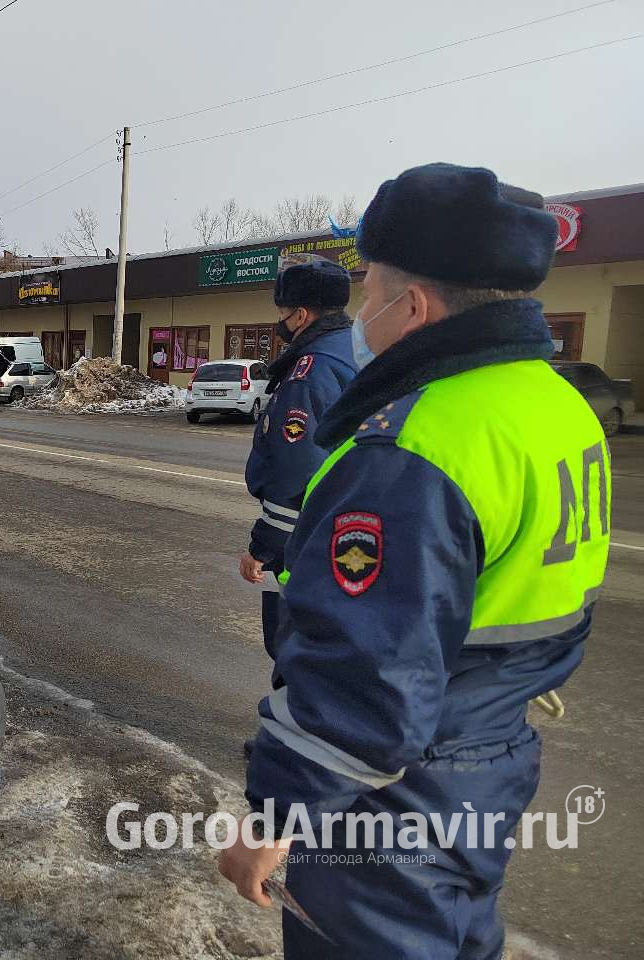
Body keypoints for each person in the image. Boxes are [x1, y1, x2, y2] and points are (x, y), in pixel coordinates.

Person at [218, 163, 611, 959]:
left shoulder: (413, 448)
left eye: (371, 291)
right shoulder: (553, 403)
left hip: (396, 796)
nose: (362, 309)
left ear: (415, 305)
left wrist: (275, 821)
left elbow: (366, 680)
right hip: (494, 752)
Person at [241, 259, 357, 657]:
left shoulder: (312, 370)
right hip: (347, 528)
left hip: (306, 539)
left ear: (301, 315)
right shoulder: (354, 349)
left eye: (282, 313)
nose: (279, 322)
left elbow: (297, 467)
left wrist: (264, 546)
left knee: (292, 648)